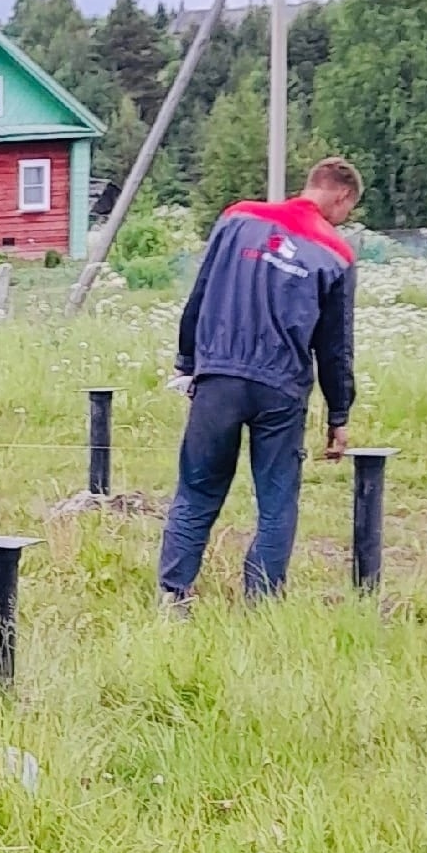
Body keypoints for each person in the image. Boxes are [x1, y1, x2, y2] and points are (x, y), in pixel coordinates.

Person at [156, 156, 364, 607]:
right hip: (281, 388)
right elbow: (335, 346)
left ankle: (174, 597)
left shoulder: (238, 218)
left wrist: (187, 361)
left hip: (219, 379)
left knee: (197, 489)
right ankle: (261, 603)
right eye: (349, 210)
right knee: (276, 500)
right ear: (341, 196)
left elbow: (201, 292)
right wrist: (339, 413)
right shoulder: (336, 254)